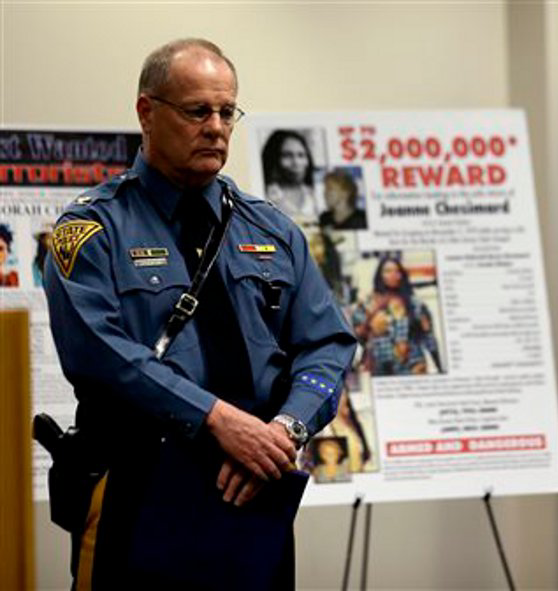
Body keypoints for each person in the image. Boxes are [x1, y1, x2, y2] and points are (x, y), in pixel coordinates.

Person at [42, 39, 357, 589]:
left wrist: (283, 431)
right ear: (146, 111)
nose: (216, 127)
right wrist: (219, 420)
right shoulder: (93, 230)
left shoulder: (271, 230)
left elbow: (328, 343)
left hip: (254, 487)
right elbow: (101, 353)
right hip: (138, 488)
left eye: (226, 111)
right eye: (197, 111)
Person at [352, 255, 442, 376]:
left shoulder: (414, 303)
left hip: (412, 365)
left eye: (397, 271)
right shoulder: (368, 303)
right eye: (387, 271)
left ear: (402, 275)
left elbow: (428, 336)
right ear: (380, 275)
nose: (393, 274)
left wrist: (439, 365)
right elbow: (356, 334)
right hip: (380, 366)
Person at [261, 129, 318, 223]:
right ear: (274, 159)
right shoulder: (265, 196)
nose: (296, 162)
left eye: (301, 155)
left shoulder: (315, 194)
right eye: (287, 155)